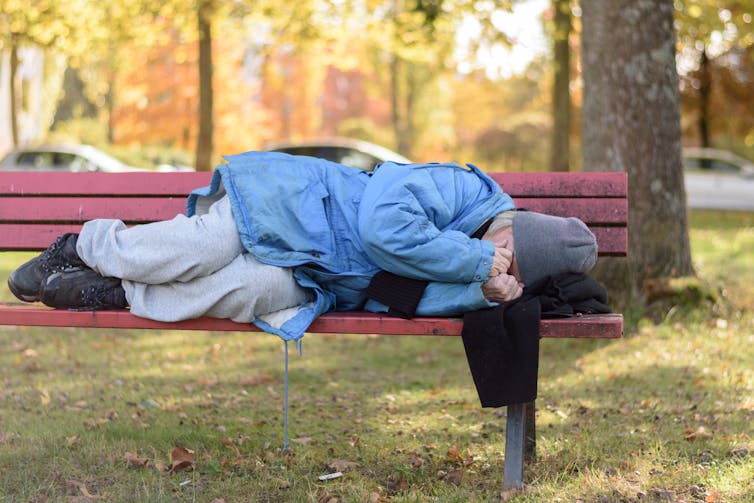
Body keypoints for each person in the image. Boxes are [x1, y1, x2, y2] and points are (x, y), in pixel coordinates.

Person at [7, 151, 598, 342]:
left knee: (252, 290)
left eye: (516, 270)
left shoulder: (482, 264)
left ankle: (117, 292)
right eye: (509, 253)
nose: (503, 263)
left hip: (317, 273)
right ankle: (83, 248)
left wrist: (478, 292)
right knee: (202, 249)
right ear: (514, 227)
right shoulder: (462, 189)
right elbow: (381, 231)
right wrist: (472, 262)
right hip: (288, 203)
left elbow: (401, 297)